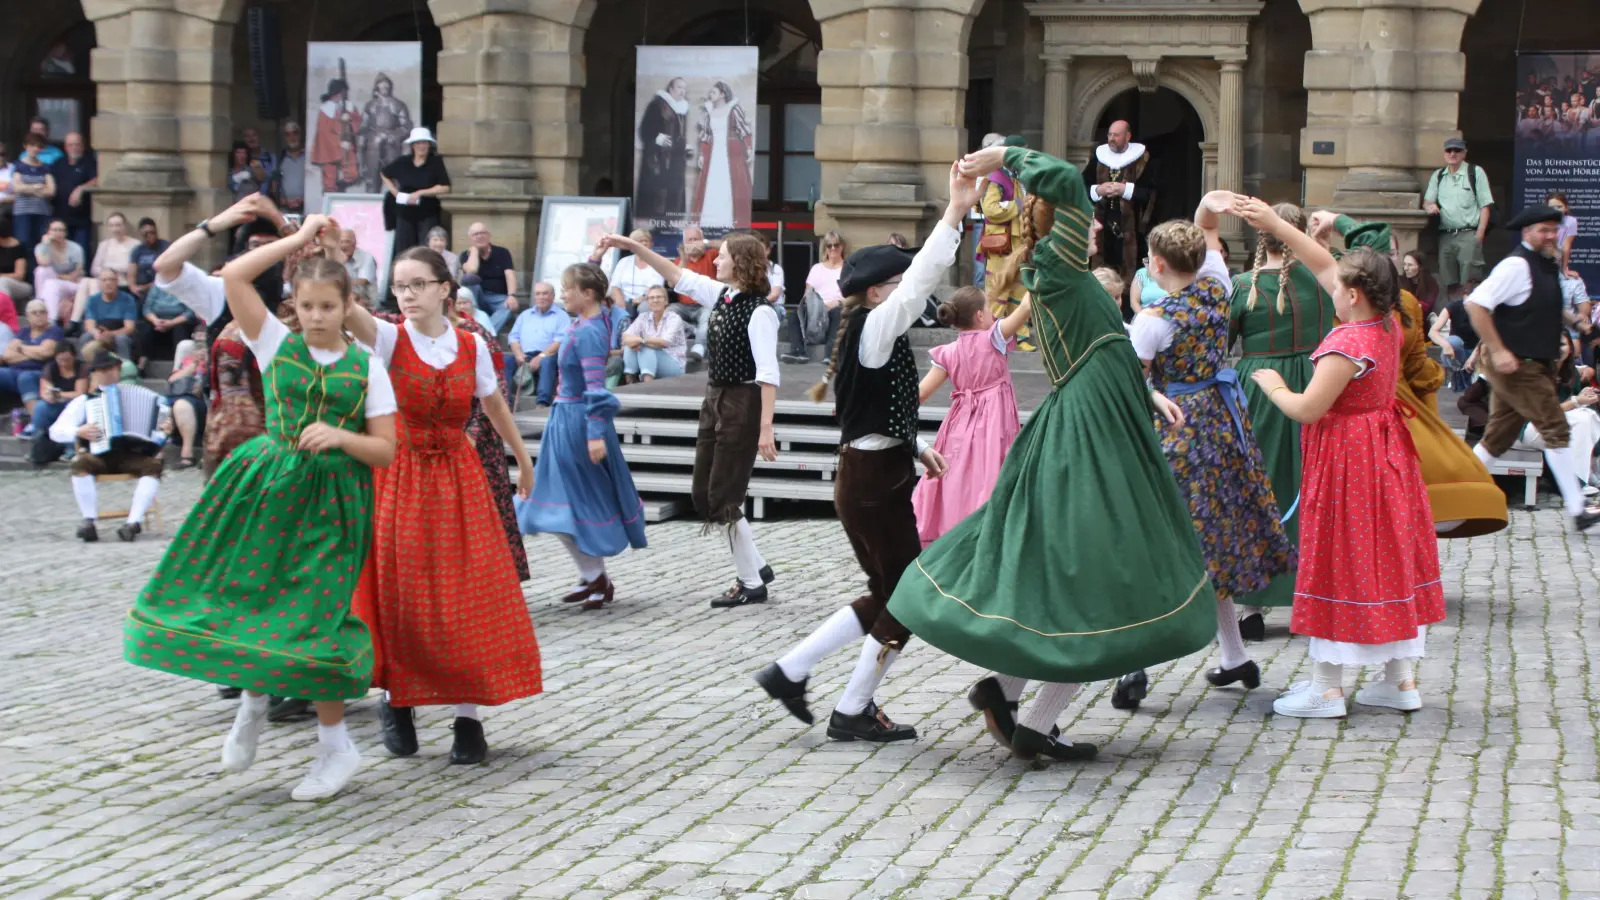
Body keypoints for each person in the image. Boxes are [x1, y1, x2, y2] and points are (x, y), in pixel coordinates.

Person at [886, 147, 1211, 762]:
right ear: (1055, 225)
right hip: (1088, 435)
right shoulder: (1059, 266)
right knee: (1093, 567)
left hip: (1104, 420)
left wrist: (1147, 396)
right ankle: (1034, 720)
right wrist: (1003, 156)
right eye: (1079, 218)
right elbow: (1063, 179)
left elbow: (1107, 353)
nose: (1091, 223)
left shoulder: (1071, 278)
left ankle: (1004, 692)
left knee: (1076, 559)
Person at [124, 218, 397, 801]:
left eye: (328, 305)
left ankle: (335, 746)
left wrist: (341, 438)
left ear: (347, 305)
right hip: (267, 490)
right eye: (307, 305)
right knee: (250, 597)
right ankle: (252, 701)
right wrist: (297, 243)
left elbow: (386, 449)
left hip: (335, 502)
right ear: (294, 306)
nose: (317, 315)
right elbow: (236, 277)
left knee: (316, 617)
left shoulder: (368, 366)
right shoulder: (275, 342)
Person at [752, 166, 968, 745]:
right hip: (872, 483)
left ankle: (789, 671)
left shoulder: (870, 332)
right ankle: (852, 708)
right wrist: (954, 213)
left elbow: (870, 412)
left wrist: (918, 447)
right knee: (910, 599)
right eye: (896, 284)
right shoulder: (875, 326)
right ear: (877, 291)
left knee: (886, 591)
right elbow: (922, 279)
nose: (907, 293)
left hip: (870, 474)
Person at [1240, 199, 1443, 719]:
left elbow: (1309, 410)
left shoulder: (1348, 341)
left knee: (1340, 558)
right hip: (1386, 454)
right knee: (1387, 557)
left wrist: (1275, 385)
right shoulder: (1388, 324)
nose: (1327, 285)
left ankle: (1326, 688)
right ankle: (1399, 681)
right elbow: (1327, 263)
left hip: (1350, 461)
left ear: (1353, 295)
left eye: (1336, 287)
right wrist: (1275, 223)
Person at [343, 245, 540, 766]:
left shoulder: (472, 345)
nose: (406, 295)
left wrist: (523, 459)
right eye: (399, 286)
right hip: (399, 475)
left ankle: (468, 718)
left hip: (458, 477)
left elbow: (493, 402)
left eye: (417, 285)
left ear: (445, 288)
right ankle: (397, 699)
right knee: (401, 591)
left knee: (469, 591)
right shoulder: (388, 337)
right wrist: (314, 245)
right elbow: (343, 305)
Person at [1112, 194, 1295, 711]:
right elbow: (1208, 230)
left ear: (1157, 264)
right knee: (1211, 543)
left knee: (1162, 543)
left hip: (1176, 431)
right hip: (1221, 423)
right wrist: (1210, 205)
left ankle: (1135, 663)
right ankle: (1234, 656)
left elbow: (1131, 381)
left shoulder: (1153, 320)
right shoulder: (1217, 286)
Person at [598, 230, 780, 606]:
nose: (716, 260)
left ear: (741, 262)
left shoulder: (760, 311)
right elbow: (679, 276)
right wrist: (633, 247)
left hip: (743, 402)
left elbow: (768, 374)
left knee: (724, 496)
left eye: (723, 255)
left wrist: (765, 428)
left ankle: (751, 584)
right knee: (703, 494)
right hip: (716, 397)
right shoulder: (724, 295)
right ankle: (757, 565)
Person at [1324, 210, 1507, 539]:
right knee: (1386, 497)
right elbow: (1418, 369)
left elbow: (1418, 367)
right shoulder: (1380, 299)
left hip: (1370, 410)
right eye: (1390, 253)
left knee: (1370, 498)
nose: (1393, 258)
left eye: (1395, 252)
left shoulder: (1377, 301)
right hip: (1376, 409)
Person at [1225, 203, 1334, 635]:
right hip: (1317, 383)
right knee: (1314, 487)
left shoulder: (1240, 285)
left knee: (1259, 488)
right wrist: (1331, 230)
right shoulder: (1324, 278)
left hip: (1260, 388)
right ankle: (1316, 592)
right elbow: (1376, 245)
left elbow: (1220, 344)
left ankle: (1252, 604)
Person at [514, 263, 648, 608]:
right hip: (566, 419)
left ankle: (595, 578)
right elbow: (592, 284)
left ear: (587, 295)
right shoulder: (588, 320)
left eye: (567, 289)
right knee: (561, 506)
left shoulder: (589, 331)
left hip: (575, 424)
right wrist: (598, 256)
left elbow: (595, 388)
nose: (562, 294)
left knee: (561, 506)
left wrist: (593, 435)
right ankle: (594, 578)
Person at [1466, 204, 1600, 532]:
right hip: (1519, 365)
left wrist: (1579, 325)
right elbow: (1476, 304)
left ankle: (1454, 492)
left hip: (1532, 363)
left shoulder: (1545, 265)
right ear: (1527, 232)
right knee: (1555, 429)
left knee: (1497, 438)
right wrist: (1497, 351)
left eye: (1554, 230)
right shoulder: (1515, 265)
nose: (1551, 235)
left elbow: (1544, 307)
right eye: (1543, 230)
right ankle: (1578, 508)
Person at [910, 287, 1031, 548]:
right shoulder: (993, 338)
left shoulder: (949, 352)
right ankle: (986, 536)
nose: (992, 313)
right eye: (988, 308)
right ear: (979, 316)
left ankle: (951, 531)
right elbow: (1024, 308)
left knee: (958, 476)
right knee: (988, 475)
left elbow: (918, 395)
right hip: (992, 425)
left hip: (959, 423)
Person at [48, 348, 165, 542]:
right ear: (95, 374)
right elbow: (55, 431)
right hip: (98, 456)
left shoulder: (143, 395)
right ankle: (89, 521)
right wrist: (78, 431)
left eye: (112, 369)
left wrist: (163, 428)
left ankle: (132, 523)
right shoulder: (84, 401)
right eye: (103, 370)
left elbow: (160, 425)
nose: (109, 373)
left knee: (154, 465)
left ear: (118, 371)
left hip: (130, 456)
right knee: (80, 463)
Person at [1084, 120, 1157, 286]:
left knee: (1129, 271)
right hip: (1102, 223)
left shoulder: (1142, 160)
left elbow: (1152, 193)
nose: (1111, 138)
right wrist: (1098, 190)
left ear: (1128, 136)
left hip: (1132, 227)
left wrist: (1125, 190)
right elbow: (1083, 186)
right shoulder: (1098, 157)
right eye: (1109, 134)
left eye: (1116, 135)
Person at [977, 136, 1034, 347]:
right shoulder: (996, 178)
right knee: (998, 292)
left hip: (1019, 245)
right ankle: (987, 338)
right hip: (1001, 246)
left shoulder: (1016, 177)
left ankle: (1020, 338)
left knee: (1019, 291)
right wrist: (1017, 206)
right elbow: (990, 209)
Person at [1423, 137, 1493, 306]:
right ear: (1444, 153)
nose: (1453, 153)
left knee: (1470, 282)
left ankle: (1469, 320)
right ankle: (1453, 318)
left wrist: (1479, 236)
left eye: (1457, 150)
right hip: (1445, 235)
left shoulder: (1475, 172)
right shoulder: (1439, 175)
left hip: (1469, 233)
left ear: (1464, 153)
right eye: (1449, 150)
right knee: (1449, 283)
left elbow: (1485, 206)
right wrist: (1430, 207)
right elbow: (1427, 202)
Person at [692, 81, 754, 230]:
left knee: (730, 185)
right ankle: (710, 221)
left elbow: (744, 130)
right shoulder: (709, 112)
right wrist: (702, 154)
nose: (710, 95)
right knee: (711, 186)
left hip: (731, 154)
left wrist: (749, 148)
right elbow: (706, 135)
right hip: (713, 154)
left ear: (722, 94)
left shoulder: (733, 110)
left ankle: (729, 220)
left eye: (713, 92)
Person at [382, 128, 451, 255]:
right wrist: (395, 192)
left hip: (427, 211)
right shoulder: (403, 161)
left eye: (424, 143)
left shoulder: (435, 163)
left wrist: (420, 193)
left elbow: (445, 187)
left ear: (429, 145)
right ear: (412, 145)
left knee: (427, 248)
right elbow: (384, 173)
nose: (421, 146)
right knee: (404, 249)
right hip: (405, 212)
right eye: (418, 143)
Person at [782, 231, 846, 364]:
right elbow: (808, 293)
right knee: (794, 316)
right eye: (829, 245)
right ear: (825, 248)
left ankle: (830, 355)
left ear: (842, 247)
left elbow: (853, 295)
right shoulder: (817, 268)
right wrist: (814, 306)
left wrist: (837, 302)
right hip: (816, 309)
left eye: (836, 245)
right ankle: (799, 352)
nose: (833, 248)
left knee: (838, 313)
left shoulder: (847, 268)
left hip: (836, 307)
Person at [0, 299, 63, 432]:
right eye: (34, 313)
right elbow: (7, 355)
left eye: (42, 312)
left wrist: (21, 348)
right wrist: (35, 351)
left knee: (26, 377)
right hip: (15, 372)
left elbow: (46, 352)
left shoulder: (54, 331)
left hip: (41, 373)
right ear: (28, 317)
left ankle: (36, 423)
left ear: (47, 314)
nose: (39, 315)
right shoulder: (24, 332)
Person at [636, 77, 690, 220]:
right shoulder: (657, 105)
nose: (682, 91)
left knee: (675, 190)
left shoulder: (682, 109)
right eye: (679, 87)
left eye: (684, 88)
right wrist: (656, 139)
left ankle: (673, 218)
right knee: (659, 194)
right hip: (658, 158)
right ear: (671, 89)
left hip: (676, 158)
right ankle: (658, 220)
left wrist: (684, 146)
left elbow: (680, 133)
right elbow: (645, 130)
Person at [508, 281, 570, 406]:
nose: (541, 297)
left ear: (553, 296)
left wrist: (541, 357)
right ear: (534, 297)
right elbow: (513, 337)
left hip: (549, 355)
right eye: (538, 294)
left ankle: (542, 402)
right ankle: (505, 400)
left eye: (545, 293)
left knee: (547, 361)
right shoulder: (524, 315)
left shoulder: (562, 316)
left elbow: (560, 341)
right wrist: (519, 354)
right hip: (525, 355)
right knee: (505, 360)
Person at [73, 211, 140, 326]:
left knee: (95, 283)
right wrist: (109, 272)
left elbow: (132, 267)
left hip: (122, 282)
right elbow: (94, 269)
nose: (115, 229)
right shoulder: (104, 244)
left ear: (125, 226)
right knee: (86, 281)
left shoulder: (135, 244)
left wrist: (110, 269)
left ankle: (98, 319)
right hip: (105, 279)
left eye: (118, 225)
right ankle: (74, 320)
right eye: (112, 225)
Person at [27, 341, 86, 465]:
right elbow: (45, 390)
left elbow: (79, 393)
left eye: (67, 360)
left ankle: (70, 448)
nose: (64, 363)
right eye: (60, 360)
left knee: (73, 412)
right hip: (57, 402)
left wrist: (60, 394)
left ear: (74, 357)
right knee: (41, 407)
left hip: (74, 403)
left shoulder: (81, 368)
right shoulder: (50, 368)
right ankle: (38, 444)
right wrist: (50, 396)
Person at [621, 285, 688, 382]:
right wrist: (634, 341)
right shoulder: (643, 317)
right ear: (648, 301)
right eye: (651, 298)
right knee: (629, 347)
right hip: (651, 360)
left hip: (674, 365)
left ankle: (648, 385)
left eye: (659, 297)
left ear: (666, 301)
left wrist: (641, 340)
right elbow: (626, 336)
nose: (655, 300)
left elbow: (664, 342)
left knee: (645, 348)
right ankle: (630, 380)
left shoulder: (674, 318)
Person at [359, 73, 413, 193]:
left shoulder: (398, 104)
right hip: (373, 144)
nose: (384, 89)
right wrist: (363, 140)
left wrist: (394, 135)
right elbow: (363, 126)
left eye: (386, 87)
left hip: (391, 144)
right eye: (382, 87)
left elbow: (406, 126)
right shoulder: (370, 105)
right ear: (377, 88)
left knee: (395, 180)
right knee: (372, 180)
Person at [460, 222, 518, 331]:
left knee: (509, 307)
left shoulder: (502, 252)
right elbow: (472, 270)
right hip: (476, 299)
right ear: (470, 238)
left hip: (498, 298)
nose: (479, 236)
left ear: (489, 235)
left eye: (482, 233)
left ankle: (483, 332)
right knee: (470, 279)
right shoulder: (465, 255)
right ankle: (486, 333)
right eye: (475, 234)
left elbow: (510, 275)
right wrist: (474, 251)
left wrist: (512, 295)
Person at [311, 77, 362, 195]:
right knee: (329, 173)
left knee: (352, 172)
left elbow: (357, 123)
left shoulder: (349, 106)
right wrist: (340, 123)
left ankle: (341, 185)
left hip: (346, 144)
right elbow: (324, 131)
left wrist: (349, 121)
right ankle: (330, 190)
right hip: (330, 145)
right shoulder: (325, 109)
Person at [164, 333, 207, 469]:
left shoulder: (214, 361)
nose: (200, 352)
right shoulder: (187, 361)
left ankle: (187, 455)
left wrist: (207, 365)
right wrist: (192, 366)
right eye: (198, 349)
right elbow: (171, 381)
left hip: (201, 402)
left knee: (181, 405)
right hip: (179, 396)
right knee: (163, 404)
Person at [51, 133, 97, 254]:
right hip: (60, 218)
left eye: (77, 144)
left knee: (81, 252)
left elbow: (98, 179)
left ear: (83, 146)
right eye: (70, 145)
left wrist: (81, 188)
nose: (74, 147)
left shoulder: (89, 162)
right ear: (65, 147)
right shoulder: (58, 163)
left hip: (82, 219)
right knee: (61, 253)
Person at [79, 269, 138, 362]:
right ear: (99, 283)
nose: (108, 283)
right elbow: (89, 325)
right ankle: (84, 368)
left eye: (111, 279)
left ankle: (125, 366)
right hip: (100, 333)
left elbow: (129, 328)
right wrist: (96, 333)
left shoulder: (128, 300)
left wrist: (111, 334)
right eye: (104, 280)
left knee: (121, 338)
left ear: (117, 282)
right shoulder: (92, 300)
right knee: (86, 337)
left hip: (118, 333)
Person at [33, 219, 85, 326]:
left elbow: (76, 275)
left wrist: (58, 276)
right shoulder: (42, 247)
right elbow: (43, 262)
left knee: (51, 283)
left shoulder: (75, 248)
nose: (58, 233)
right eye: (55, 230)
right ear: (48, 232)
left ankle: (50, 319)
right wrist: (45, 245)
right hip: (53, 285)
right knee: (41, 271)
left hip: (73, 285)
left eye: (61, 230)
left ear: (65, 233)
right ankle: (46, 311)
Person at [12, 134, 57, 251]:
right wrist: (37, 187)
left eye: (39, 146)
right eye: (32, 145)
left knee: (42, 243)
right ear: (25, 146)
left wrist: (27, 189)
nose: (35, 149)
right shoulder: (19, 166)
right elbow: (17, 188)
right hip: (23, 212)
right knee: (24, 242)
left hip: (42, 211)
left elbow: (51, 190)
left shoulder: (45, 167)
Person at [605, 229, 666, 314]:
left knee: (644, 308)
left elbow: (656, 288)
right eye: (640, 241)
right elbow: (615, 286)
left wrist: (640, 299)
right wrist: (621, 303)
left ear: (651, 244)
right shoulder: (624, 262)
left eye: (646, 241)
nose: (644, 243)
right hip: (624, 300)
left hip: (648, 300)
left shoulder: (657, 262)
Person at [272, 122, 307, 214]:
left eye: (295, 133)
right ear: (284, 138)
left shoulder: (309, 159)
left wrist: (305, 199)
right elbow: (273, 187)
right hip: (284, 210)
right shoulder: (279, 159)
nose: (292, 137)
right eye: (288, 134)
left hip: (307, 208)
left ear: (300, 135)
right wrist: (284, 200)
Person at [339, 228, 378, 303]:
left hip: (365, 300)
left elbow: (363, 282)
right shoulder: (338, 258)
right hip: (346, 299)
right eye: (341, 242)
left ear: (354, 244)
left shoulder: (366, 258)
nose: (343, 246)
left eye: (347, 242)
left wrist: (338, 283)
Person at [1400, 250, 1441, 319]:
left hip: (1422, 321)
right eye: (1404, 264)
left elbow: (1425, 306)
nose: (1405, 268)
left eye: (1410, 265)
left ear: (1420, 267)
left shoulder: (1430, 283)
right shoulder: (1401, 281)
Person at [0, 217, 31, 304]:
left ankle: (3, 312)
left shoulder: (18, 248)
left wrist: (1, 275)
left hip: (19, 285)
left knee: (2, 281)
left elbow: (19, 275)